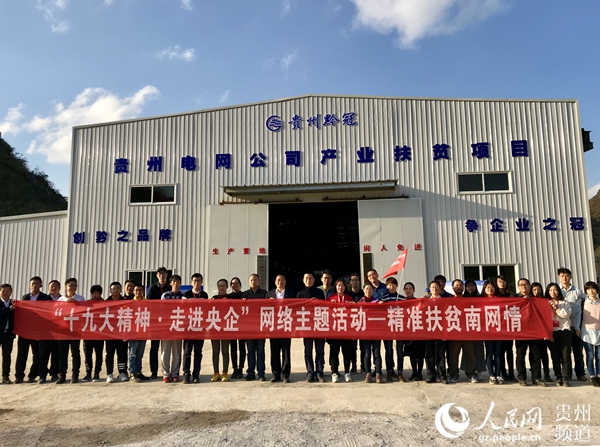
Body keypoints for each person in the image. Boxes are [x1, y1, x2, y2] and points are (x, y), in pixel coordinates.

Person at [15, 276, 51, 384]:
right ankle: (19, 376)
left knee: (37, 354)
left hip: (38, 331)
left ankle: (33, 375)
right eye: (33, 284)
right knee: (22, 354)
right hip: (25, 330)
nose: (34, 285)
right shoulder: (25, 297)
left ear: (41, 285)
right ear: (30, 285)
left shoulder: (45, 298)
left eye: (37, 283)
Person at [558, 268, 588, 382]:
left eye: (567, 275)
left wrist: (578, 327)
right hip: (563, 326)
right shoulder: (557, 291)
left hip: (576, 325)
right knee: (565, 353)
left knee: (578, 351)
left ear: (570, 277)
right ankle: (567, 374)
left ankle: (580, 374)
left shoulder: (578, 291)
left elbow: (582, 308)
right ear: (559, 277)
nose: (564, 278)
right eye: (562, 276)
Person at [513, 278, 545, 386]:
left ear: (530, 286)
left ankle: (536, 377)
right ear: (518, 287)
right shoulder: (514, 298)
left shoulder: (536, 299)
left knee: (535, 355)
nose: (524, 286)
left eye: (526, 284)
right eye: (521, 285)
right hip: (521, 331)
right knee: (520, 355)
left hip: (534, 331)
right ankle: (522, 377)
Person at [296, 272, 326, 382]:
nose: (308, 280)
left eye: (310, 278)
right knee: (308, 351)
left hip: (319, 325)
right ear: (303, 280)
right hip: (307, 326)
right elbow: (296, 310)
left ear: (314, 280)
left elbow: (325, 307)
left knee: (320, 350)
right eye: (306, 278)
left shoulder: (319, 292)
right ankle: (310, 372)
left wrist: (317, 302)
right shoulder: (300, 294)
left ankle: (319, 372)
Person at [447, 279, 477, 384]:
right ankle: (454, 374)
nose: (459, 287)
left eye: (461, 285)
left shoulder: (469, 300)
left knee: (470, 354)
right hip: (454, 332)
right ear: (452, 288)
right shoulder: (448, 300)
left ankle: (471, 373)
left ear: (463, 287)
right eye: (457, 285)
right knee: (453, 355)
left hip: (468, 332)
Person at [56, 277, 85, 384]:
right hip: (63, 330)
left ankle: (75, 375)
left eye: (74, 285)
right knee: (62, 354)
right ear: (65, 286)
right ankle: (61, 375)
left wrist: (76, 303)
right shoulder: (60, 299)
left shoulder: (80, 298)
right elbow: (56, 314)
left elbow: (84, 312)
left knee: (75, 353)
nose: (72, 287)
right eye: (70, 285)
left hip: (75, 330)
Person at [267, 274, 294, 383]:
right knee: (274, 351)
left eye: (282, 280)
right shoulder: (269, 294)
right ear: (275, 282)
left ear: (285, 282)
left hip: (286, 326)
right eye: (278, 280)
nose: (280, 282)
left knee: (286, 352)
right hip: (273, 327)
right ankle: (275, 374)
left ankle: (285, 375)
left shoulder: (291, 294)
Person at [241, 274, 268, 381]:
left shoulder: (264, 293)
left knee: (260, 351)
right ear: (249, 282)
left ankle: (261, 373)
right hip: (249, 328)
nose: (253, 282)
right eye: (251, 280)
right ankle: (250, 372)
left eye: (255, 280)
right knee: (250, 351)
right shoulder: (245, 294)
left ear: (259, 281)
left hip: (261, 327)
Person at [182, 273, 208, 384]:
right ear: (191, 282)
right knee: (187, 352)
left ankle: (196, 374)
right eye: (195, 281)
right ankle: (186, 374)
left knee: (198, 353)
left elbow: (206, 310)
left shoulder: (205, 295)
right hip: (188, 328)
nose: (197, 283)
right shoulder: (186, 294)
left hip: (200, 328)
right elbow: (183, 309)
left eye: (199, 280)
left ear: (202, 282)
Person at [546, 282, 572, 387]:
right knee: (555, 356)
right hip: (552, 332)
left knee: (566, 356)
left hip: (564, 330)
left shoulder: (564, 303)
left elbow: (566, 315)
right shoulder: (545, 303)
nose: (553, 292)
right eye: (550, 290)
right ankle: (558, 376)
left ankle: (566, 377)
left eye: (555, 290)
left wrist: (556, 307)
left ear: (558, 291)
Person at [380, 277, 406, 382]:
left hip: (399, 327)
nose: (391, 287)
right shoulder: (384, 299)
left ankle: (400, 372)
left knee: (400, 351)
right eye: (389, 285)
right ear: (386, 286)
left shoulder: (402, 298)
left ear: (397, 285)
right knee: (389, 350)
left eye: (393, 284)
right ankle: (389, 371)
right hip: (388, 328)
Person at [328, 278, 354, 383]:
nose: (340, 287)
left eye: (342, 285)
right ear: (335, 287)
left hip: (346, 330)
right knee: (334, 353)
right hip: (334, 330)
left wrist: (353, 305)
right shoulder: (331, 298)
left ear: (345, 287)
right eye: (338, 285)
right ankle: (334, 373)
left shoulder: (349, 298)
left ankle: (347, 372)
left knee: (346, 352)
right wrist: (330, 305)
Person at [147, 267, 171, 379]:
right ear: (157, 275)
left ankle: (166, 371)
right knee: (154, 348)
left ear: (167, 275)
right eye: (159, 274)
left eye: (163, 274)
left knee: (166, 348)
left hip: (168, 322)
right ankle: (154, 372)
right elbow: (148, 305)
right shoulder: (153, 288)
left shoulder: (170, 288)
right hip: (156, 322)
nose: (162, 276)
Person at [160, 275, 184, 383]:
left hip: (178, 327)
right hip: (166, 327)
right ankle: (166, 373)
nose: (176, 283)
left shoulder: (183, 297)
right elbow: (161, 310)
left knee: (176, 352)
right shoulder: (165, 295)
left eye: (178, 281)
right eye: (174, 281)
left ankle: (175, 373)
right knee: (165, 351)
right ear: (170, 283)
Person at [104, 282, 129, 383]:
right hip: (110, 333)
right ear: (110, 290)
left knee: (122, 354)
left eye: (118, 288)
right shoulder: (105, 303)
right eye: (113, 288)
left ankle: (122, 373)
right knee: (109, 354)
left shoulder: (125, 302)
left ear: (121, 290)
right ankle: (109, 374)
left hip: (122, 332)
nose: (115, 290)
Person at [37, 279, 61, 383]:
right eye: (52, 286)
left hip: (59, 332)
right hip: (45, 332)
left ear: (59, 288)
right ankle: (42, 375)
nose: (54, 288)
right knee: (43, 355)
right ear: (48, 288)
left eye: (56, 286)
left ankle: (54, 374)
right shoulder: (43, 300)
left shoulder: (63, 300)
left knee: (56, 354)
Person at [424, 281, 448, 384]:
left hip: (440, 331)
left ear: (440, 288)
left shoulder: (444, 301)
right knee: (429, 354)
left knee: (440, 354)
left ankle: (442, 375)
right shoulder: (425, 301)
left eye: (436, 286)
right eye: (432, 287)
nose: (434, 288)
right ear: (430, 289)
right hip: (428, 331)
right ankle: (431, 375)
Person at [358, 282, 382, 383]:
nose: (368, 291)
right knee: (367, 354)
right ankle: (368, 373)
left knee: (376, 353)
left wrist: (382, 305)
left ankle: (378, 372)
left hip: (376, 331)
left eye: (370, 289)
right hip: (365, 332)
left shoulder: (377, 302)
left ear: (373, 291)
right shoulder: (360, 303)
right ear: (363, 290)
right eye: (366, 289)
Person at [481, 281, 503, 384]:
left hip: (499, 331)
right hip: (487, 331)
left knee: (498, 353)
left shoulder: (500, 300)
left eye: (492, 287)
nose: (490, 289)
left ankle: (498, 374)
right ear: (484, 289)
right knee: (489, 352)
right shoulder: (481, 301)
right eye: (487, 287)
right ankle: (491, 375)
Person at [402, 282, 425, 381]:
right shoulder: (402, 302)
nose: (408, 291)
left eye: (410, 288)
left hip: (418, 331)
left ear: (413, 290)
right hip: (408, 332)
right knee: (411, 354)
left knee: (419, 354)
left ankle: (419, 373)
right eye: (406, 289)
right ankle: (414, 372)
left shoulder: (418, 301)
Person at [82, 285, 105, 382]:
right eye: (93, 293)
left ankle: (96, 373)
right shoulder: (87, 304)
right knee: (87, 355)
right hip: (88, 334)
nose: (95, 295)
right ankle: (88, 373)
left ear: (100, 293)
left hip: (99, 334)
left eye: (97, 293)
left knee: (98, 354)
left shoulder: (105, 304)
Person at [495, 275, 516, 383]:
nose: (501, 283)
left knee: (510, 351)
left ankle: (511, 373)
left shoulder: (511, 295)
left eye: (503, 281)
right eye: (499, 281)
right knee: (500, 352)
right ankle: (503, 373)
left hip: (509, 327)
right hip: (499, 327)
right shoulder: (495, 296)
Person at [210, 279, 231, 382]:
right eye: (219, 286)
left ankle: (225, 373)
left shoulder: (231, 298)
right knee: (215, 351)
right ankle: (216, 373)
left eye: (223, 286)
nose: (221, 288)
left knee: (225, 351)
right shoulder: (213, 298)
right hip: (215, 327)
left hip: (226, 328)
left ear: (227, 287)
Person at [129, 284, 150, 382]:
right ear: (133, 292)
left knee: (140, 354)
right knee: (132, 354)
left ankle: (138, 372)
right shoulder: (130, 303)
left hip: (143, 331)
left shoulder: (147, 302)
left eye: (140, 290)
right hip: (133, 332)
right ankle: (132, 372)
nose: (138, 292)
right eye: (136, 290)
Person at [582, 281, 600, 387]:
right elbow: (578, 316)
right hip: (587, 332)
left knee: (599, 356)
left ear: (597, 290)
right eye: (588, 289)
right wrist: (577, 329)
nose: (591, 291)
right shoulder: (583, 303)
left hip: (599, 331)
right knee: (590, 355)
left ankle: (599, 375)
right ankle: (592, 376)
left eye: (593, 288)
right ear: (586, 291)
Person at [228, 276, 245, 379]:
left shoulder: (244, 295)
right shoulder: (228, 297)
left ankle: (241, 369)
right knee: (233, 348)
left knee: (242, 348)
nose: (235, 285)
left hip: (242, 325)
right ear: (231, 285)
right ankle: (234, 369)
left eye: (237, 283)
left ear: (240, 285)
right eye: (233, 283)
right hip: (232, 325)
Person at [347, 273, 364, 373]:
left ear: (359, 281)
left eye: (356, 280)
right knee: (352, 347)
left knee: (363, 347)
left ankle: (363, 366)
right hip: (352, 323)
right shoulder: (348, 295)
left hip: (363, 322)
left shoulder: (364, 293)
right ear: (350, 282)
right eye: (352, 280)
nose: (355, 282)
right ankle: (353, 366)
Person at [0, 284, 16, 384]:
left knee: (6, 355)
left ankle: (5, 376)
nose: (5, 293)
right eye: (3, 291)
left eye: (8, 291)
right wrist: (8, 309)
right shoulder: (10, 306)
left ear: (11, 292)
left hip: (8, 334)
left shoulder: (14, 303)